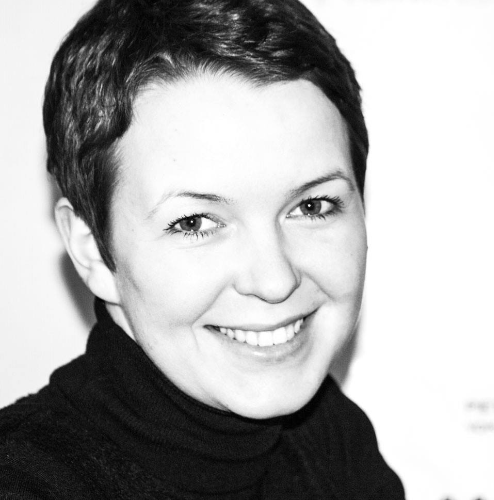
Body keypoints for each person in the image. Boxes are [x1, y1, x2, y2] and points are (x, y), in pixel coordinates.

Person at [0, 0, 405, 498]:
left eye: (312, 206)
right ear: (93, 251)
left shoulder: (332, 440)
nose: (275, 281)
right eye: (194, 223)